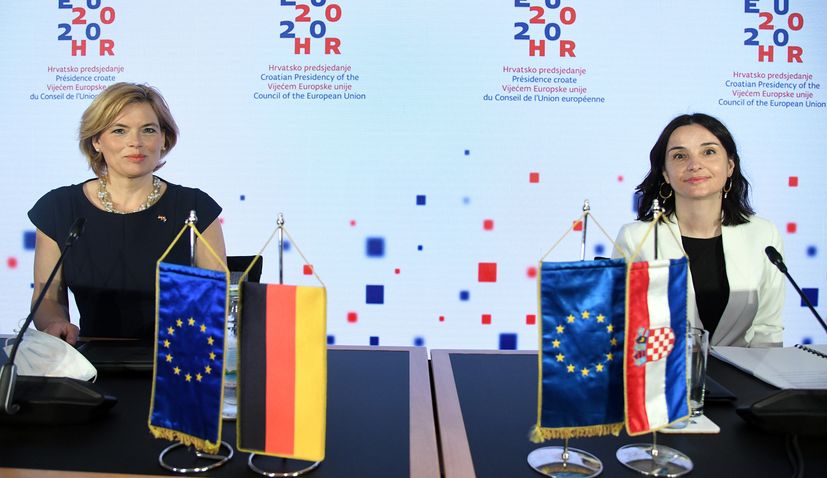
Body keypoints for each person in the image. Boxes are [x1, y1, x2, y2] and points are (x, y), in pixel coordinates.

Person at [28, 82, 227, 344]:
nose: (136, 142)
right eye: (119, 131)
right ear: (96, 141)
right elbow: (48, 296)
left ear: (164, 139)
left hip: (178, 360)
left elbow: (217, 298)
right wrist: (55, 323)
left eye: (148, 130)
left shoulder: (196, 207)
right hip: (89, 360)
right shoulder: (60, 208)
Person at [613, 113, 784, 347]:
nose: (694, 165)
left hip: (741, 370)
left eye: (709, 152)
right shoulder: (636, 238)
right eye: (680, 156)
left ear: (730, 165)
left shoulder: (763, 234)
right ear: (665, 173)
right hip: (664, 369)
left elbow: (768, 329)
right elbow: (624, 327)